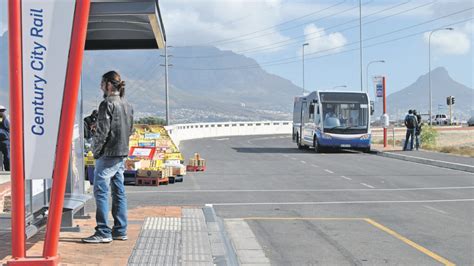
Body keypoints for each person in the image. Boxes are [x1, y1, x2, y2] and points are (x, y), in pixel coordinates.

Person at [83, 71, 134, 243]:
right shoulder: (127, 104)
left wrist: (95, 151)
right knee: (118, 192)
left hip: (107, 154)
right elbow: (131, 130)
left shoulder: (106, 104)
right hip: (121, 153)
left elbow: (103, 133)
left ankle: (103, 231)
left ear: (109, 85)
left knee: (101, 192)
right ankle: (120, 229)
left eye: (102, 83)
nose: (100, 86)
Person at [0, 106, 10, 171]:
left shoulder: (3, 118)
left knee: (7, 156)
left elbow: (9, 127)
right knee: (7, 155)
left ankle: (8, 169)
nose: (2, 112)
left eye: (2, 111)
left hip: (4, 140)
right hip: (4, 139)